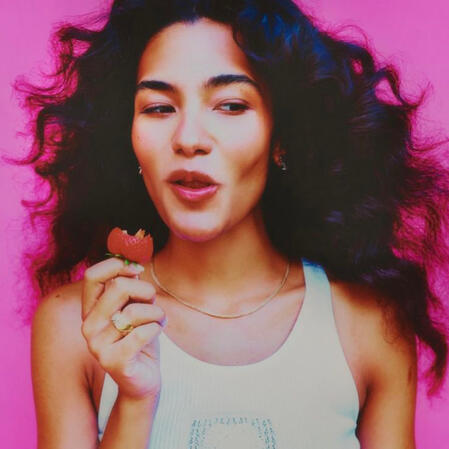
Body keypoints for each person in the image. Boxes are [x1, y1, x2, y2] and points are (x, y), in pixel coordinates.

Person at [17, 0, 448, 448]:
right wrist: (135, 398)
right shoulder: (76, 325)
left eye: (230, 105)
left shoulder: (368, 325)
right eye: (159, 108)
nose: (188, 139)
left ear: (281, 138)